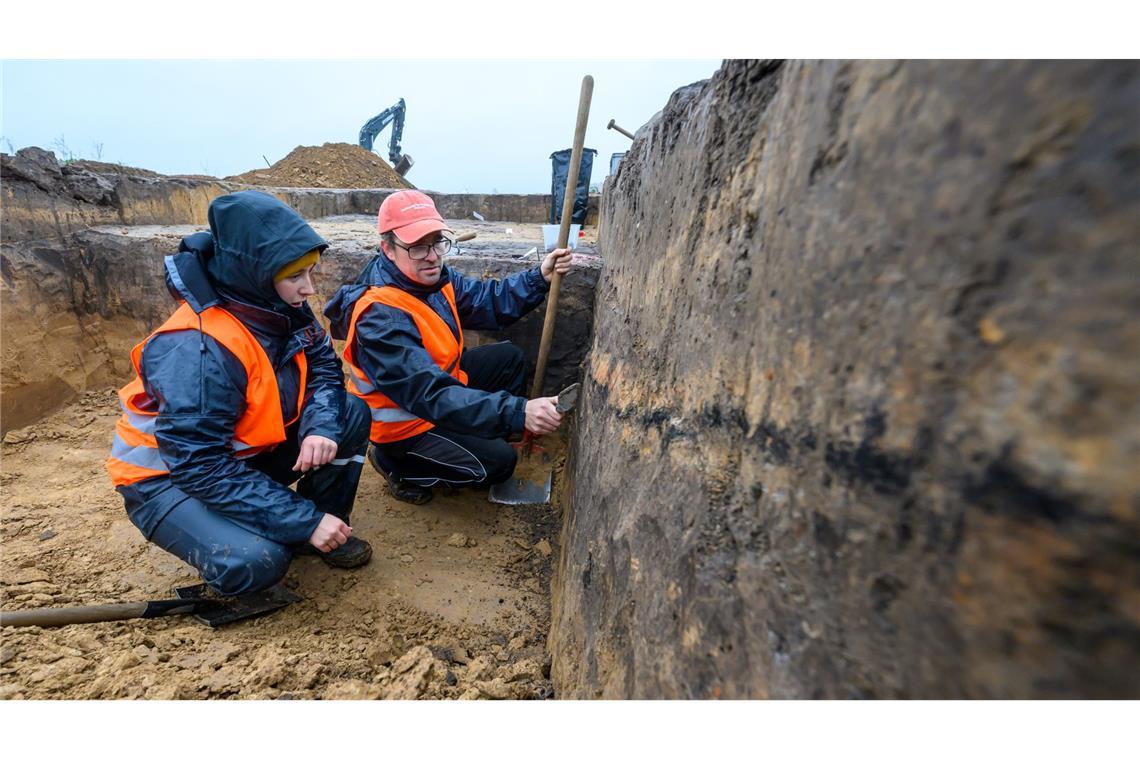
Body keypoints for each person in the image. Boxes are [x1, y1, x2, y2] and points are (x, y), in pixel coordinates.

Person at [106, 190, 372, 597]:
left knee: (347, 413)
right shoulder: (198, 348)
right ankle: (298, 529)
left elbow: (323, 368)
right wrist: (299, 518)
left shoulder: (281, 307)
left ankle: (322, 528)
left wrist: (319, 427)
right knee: (257, 562)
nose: (309, 290)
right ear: (257, 273)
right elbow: (198, 466)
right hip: (166, 481)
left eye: (311, 273)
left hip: (235, 459)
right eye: (296, 276)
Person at [324, 190, 573, 504]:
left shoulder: (433, 279)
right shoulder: (380, 317)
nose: (431, 255)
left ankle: (475, 436)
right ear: (388, 248)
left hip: (442, 390)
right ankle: (397, 466)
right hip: (406, 427)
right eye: (417, 247)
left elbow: (488, 300)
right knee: (499, 463)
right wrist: (517, 411)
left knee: (509, 359)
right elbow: (430, 394)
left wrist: (539, 278)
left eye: (437, 242)